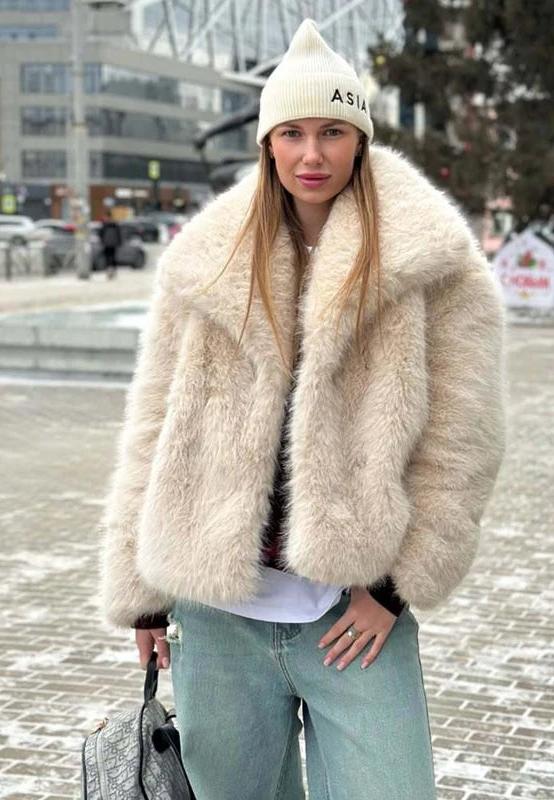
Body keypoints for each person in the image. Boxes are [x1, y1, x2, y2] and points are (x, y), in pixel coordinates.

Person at [100, 18, 506, 800]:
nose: (311, 154)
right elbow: (152, 429)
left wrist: (395, 589)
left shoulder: (435, 268)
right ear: (268, 144)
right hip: (216, 612)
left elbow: (464, 441)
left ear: (360, 139)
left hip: (354, 612)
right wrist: (141, 593)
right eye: (292, 133)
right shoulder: (206, 264)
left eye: (331, 132)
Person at [98, 210, 122, 279]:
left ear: (107, 216)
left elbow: (101, 234)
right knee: (113, 257)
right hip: (114, 243)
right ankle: (114, 270)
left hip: (106, 243)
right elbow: (119, 234)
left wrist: (101, 241)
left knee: (107, 257)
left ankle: (109, 271)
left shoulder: (104, 224)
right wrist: (119, 242)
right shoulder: (115, 223)